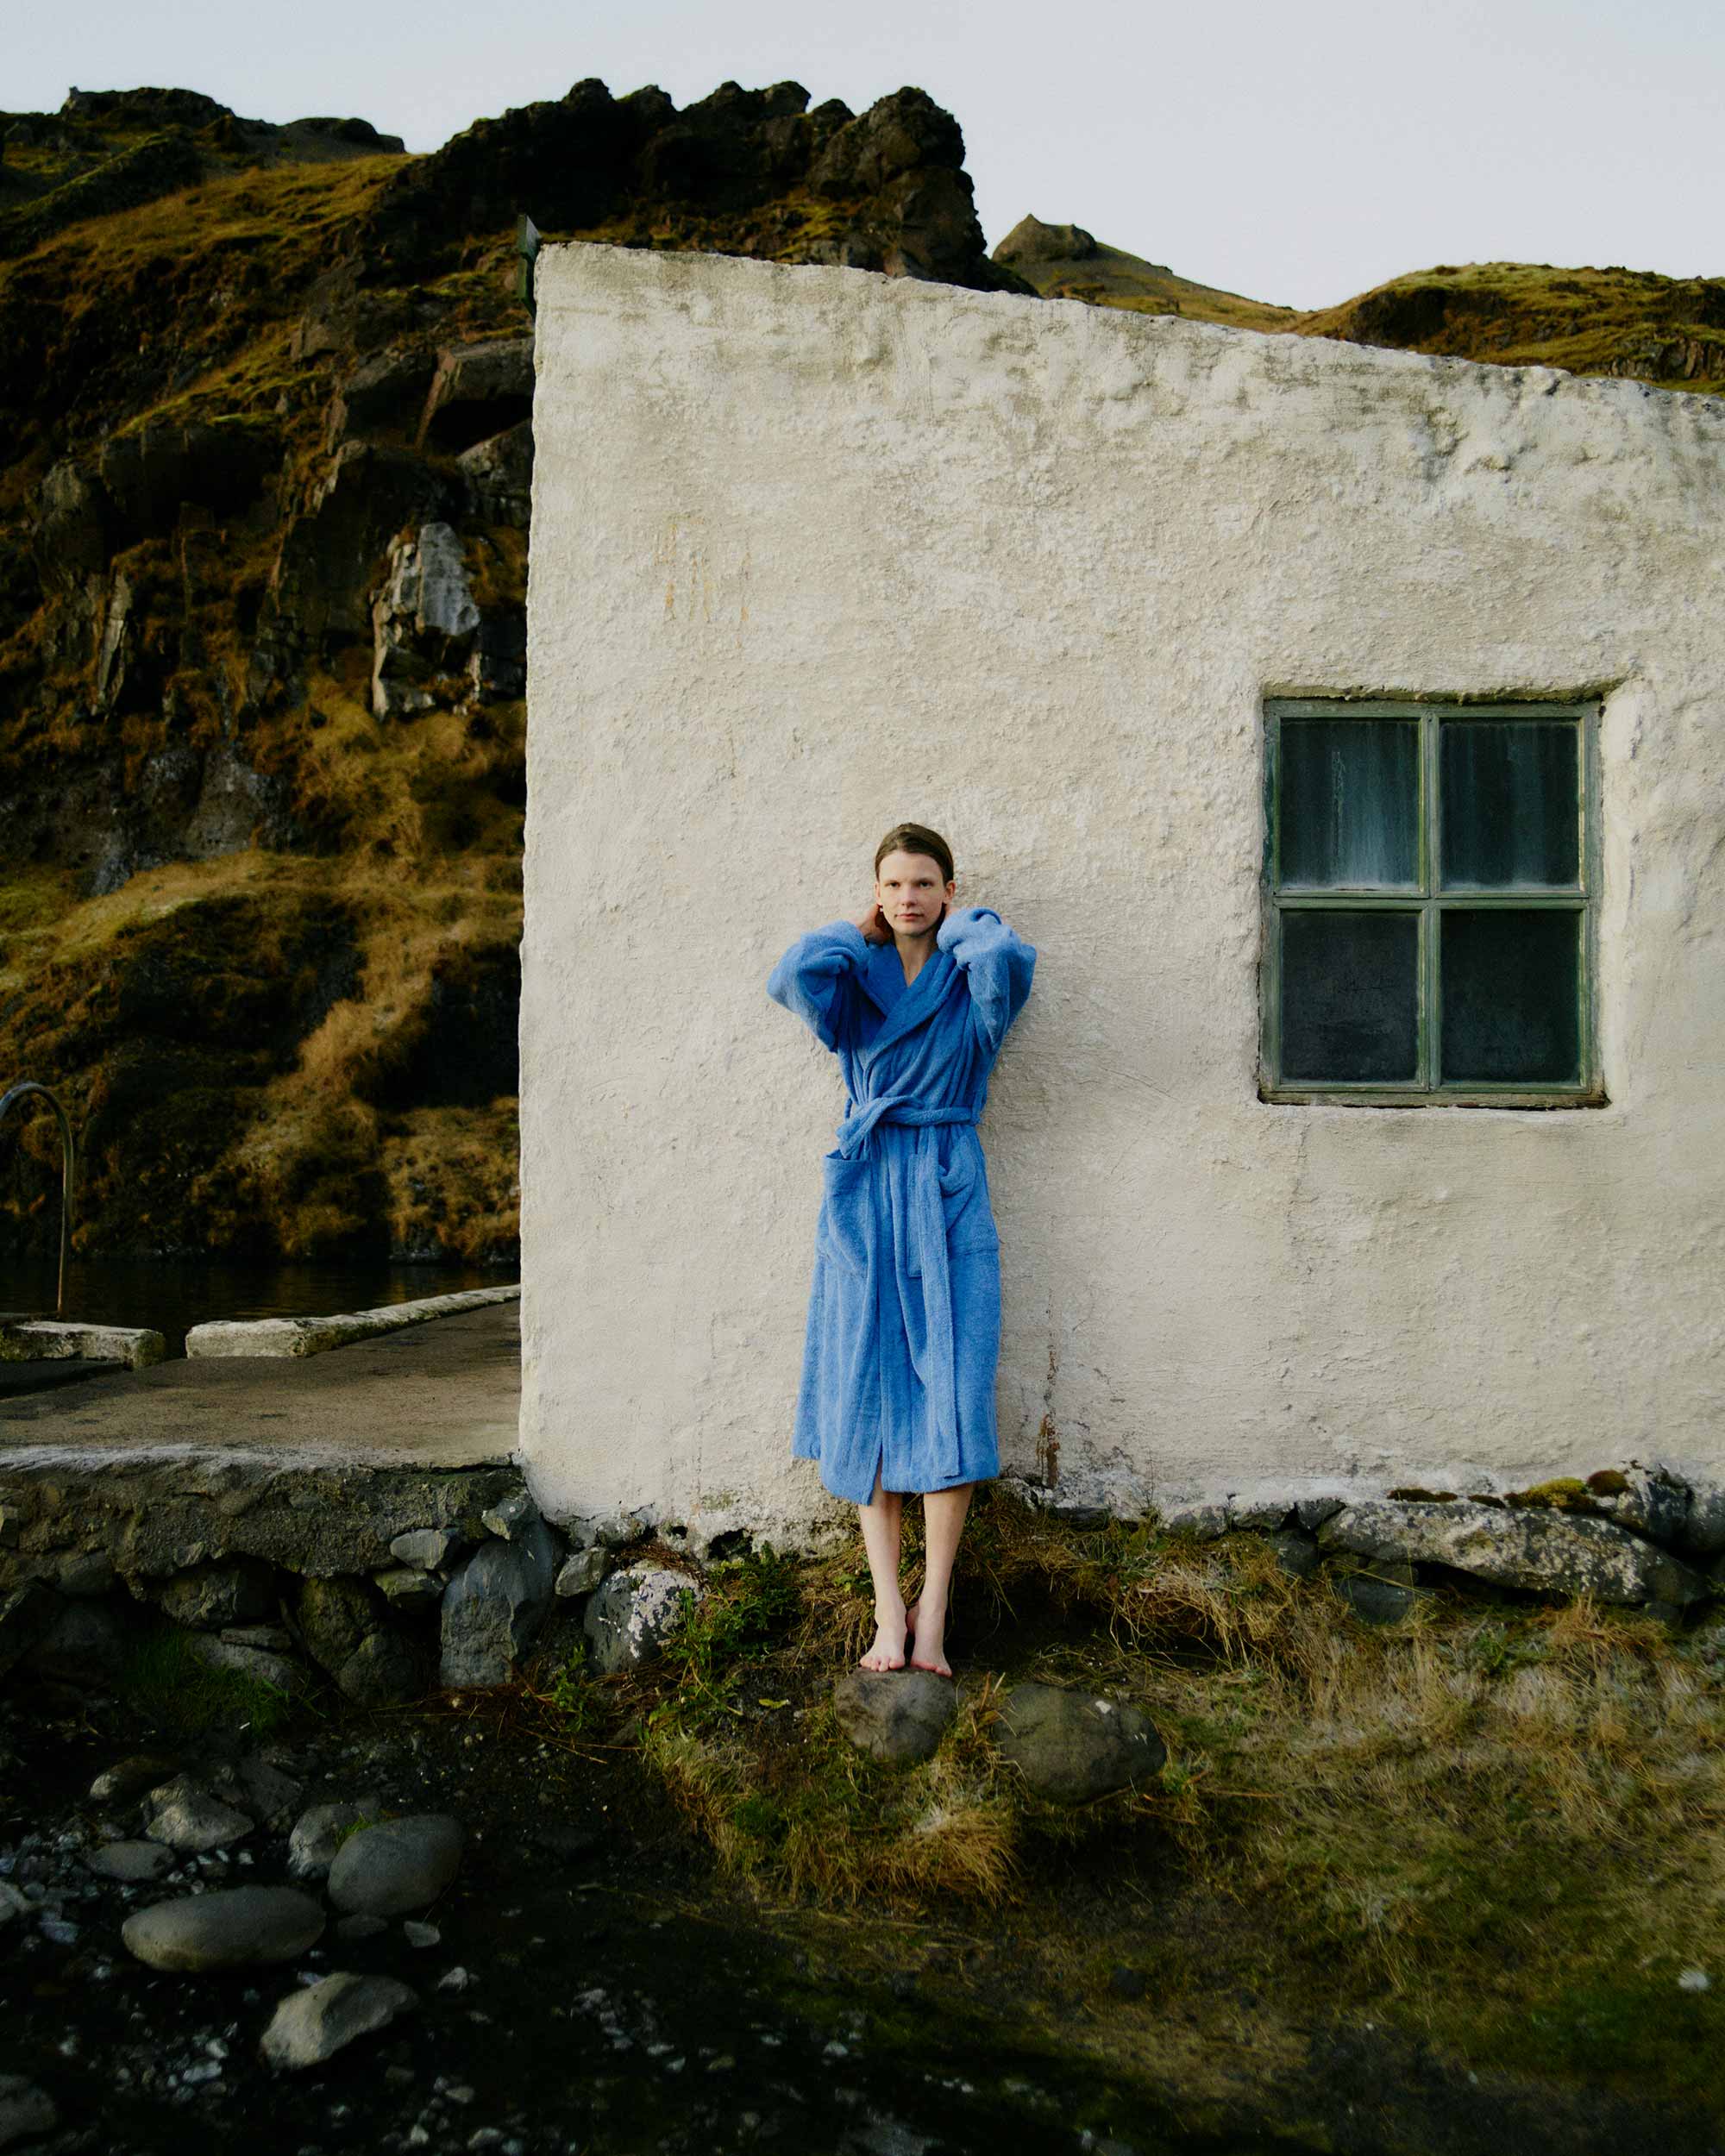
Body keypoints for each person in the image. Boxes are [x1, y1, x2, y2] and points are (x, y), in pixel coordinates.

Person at [767, 823, 1036, 1678]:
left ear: (949, 891)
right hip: (866, 1193)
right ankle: (887, 1610)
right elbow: (792, 974)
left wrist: (963, 928)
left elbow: (1006, 964)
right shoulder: (852, 980)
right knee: (868, 1398)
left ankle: (936, 1609)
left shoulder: (969, 977)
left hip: (949, 1184)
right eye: (893, 884)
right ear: (875, 891)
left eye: (924, 883)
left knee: (954, 1394)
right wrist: (857, 933)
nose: (909, 896)